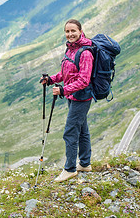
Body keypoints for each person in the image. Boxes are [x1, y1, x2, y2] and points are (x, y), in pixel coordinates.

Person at [40, 19, 94, 182]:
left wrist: (63, 90)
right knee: (82, 130)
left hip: (81, 97)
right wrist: (50, 80)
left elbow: (84, 80)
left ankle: (70, 168)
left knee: (70, 132)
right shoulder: (70, 49)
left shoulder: (85, 52)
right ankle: (85, 163)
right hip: (72, 96)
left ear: (80, 31)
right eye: (67, 31)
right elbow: (66, 74)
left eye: (73, 31)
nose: (70, 34)